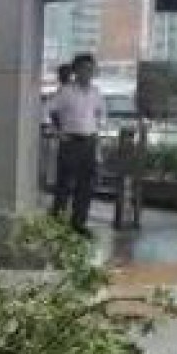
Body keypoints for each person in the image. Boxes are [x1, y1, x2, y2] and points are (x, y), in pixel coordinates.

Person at [47, 54, 104, 234]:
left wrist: (97, 137)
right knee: (64, 184)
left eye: (91, 69)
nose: (88, 72)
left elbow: (100, 114)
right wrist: (58, 133)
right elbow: (47, 110)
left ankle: (79, 223)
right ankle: (57, 223)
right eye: (84, 69)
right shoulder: (66, 91)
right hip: (71, 143)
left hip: (89, 143)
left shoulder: (96, 92)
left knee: (85, 186)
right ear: (76, 71)